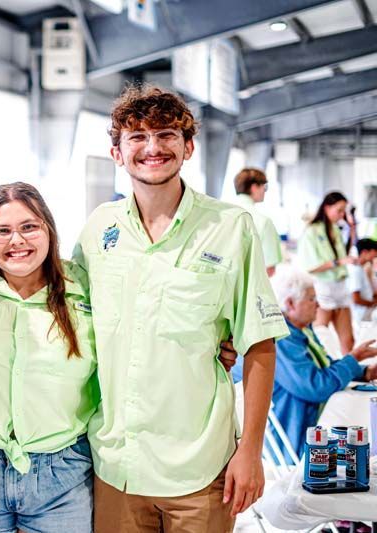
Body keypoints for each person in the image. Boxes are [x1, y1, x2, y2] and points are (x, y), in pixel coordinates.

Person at [73, 84, 289, 533]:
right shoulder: (98, 230)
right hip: (116, 465)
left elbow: (260, 345)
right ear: (117, 153)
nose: (152, 147)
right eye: (137, 137)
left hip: (199, 468)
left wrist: (250, 451)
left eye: (167, 134)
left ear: (188, 147)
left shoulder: (231, 228)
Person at [0, 182, 99, 533]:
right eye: (2, 231)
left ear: (49, 229)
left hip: (63, 475)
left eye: (29, 227)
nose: (17, 241)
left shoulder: (84, 288)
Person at [266, 266, 377, 459]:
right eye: (311, 299)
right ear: (290, 303)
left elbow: (325, 367)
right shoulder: (282, 340)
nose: (318, 305)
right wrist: (353, 359)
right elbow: (316, 386)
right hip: (296, 440)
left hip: (310, 425)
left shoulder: (301, 330)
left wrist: (365, 371)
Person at [298, 191, 357, 354]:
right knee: (321, 336)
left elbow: (342, 254)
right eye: (339, 210)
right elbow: (310, 266)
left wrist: (352, 227)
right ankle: (324, 371)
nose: (341, 215)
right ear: (326, 207)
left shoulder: (336, 229)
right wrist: (338, 262)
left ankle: (352, 372)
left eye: (343, 211)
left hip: (341, 286)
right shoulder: (311, 232)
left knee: (348, 340)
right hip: (323, 287)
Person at [231, 168, 283, 277]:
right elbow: (269, 269)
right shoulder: (263, 222)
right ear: (254, 187)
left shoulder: (220, 214)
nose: (265, 191)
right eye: (265, 187)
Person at [347, 238, 377, 323]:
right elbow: (356, 299)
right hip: (361, 316)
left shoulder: (360, 269)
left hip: (365, 314)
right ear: (364, 252)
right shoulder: (355, 270)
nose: (375, 255)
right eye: (374, 252)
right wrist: (373, 303)